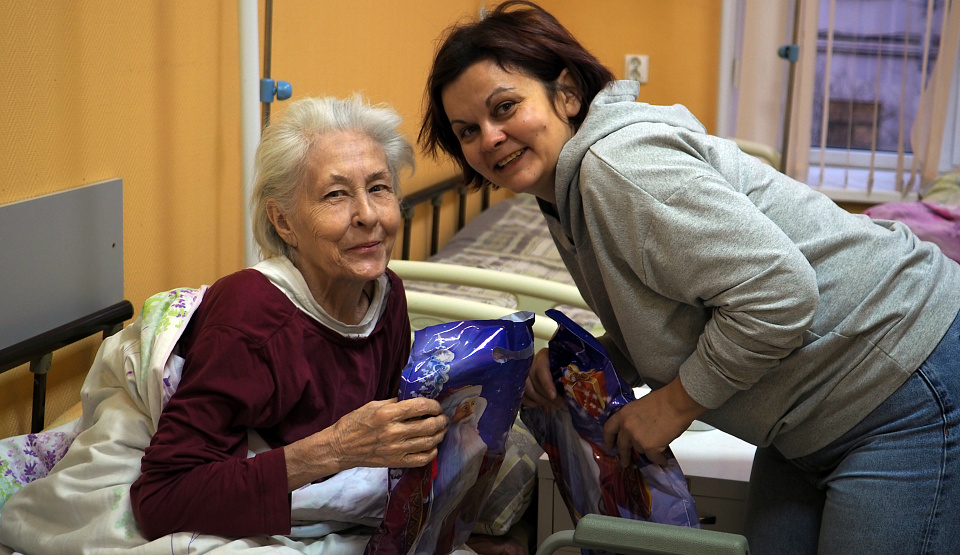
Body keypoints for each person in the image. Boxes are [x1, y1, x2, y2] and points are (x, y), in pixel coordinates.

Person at [419, 2, 960, 553]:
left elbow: (779, 294)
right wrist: (576, 365)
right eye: (468, 131)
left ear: (567, 94)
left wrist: (674, 405)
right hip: (806, 416)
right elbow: (665, 312)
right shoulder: (563, 195)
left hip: (901, 375)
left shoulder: (615, 169)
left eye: (505, 107)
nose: (490, 137)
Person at [129, 95, 450, 540]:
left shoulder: (385, 293)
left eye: (379, 188)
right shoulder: (251, 318)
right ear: (283, 222)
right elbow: (161, 499)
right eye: (335, 194)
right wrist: (337, 447)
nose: (368, 215)